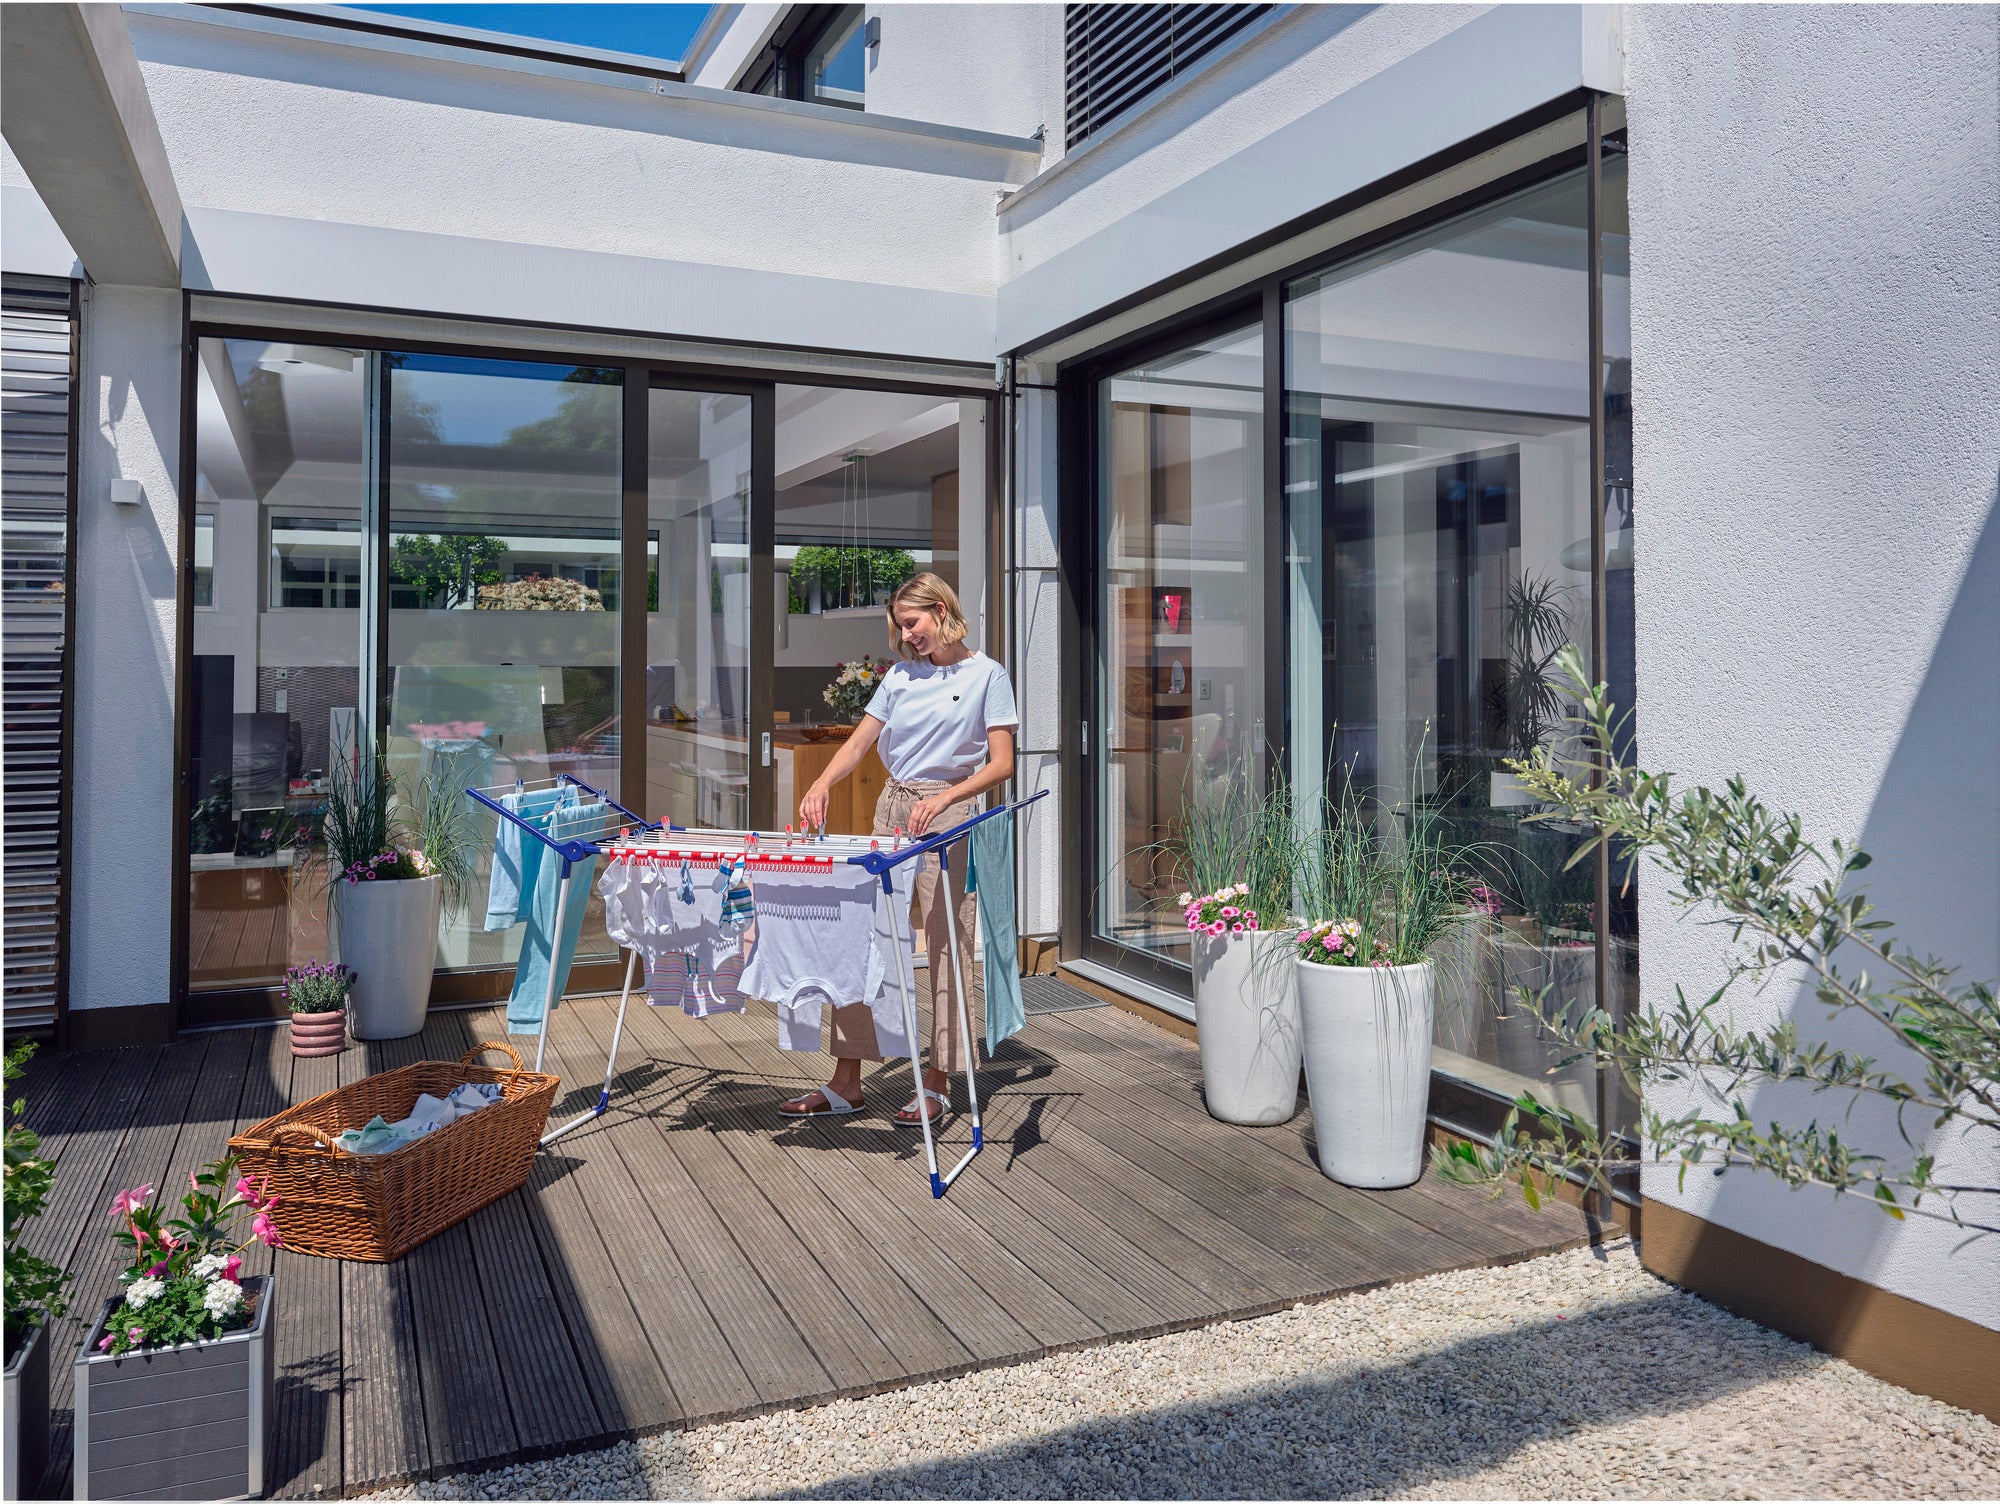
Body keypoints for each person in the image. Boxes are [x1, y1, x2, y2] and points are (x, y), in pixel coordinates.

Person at [779, 572, 1017, 1125]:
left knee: (946, 944)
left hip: (948, 811)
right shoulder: (900, 676)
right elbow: (859, 743)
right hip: (892, 808)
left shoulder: (988, 675)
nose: (907, 636)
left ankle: (938, 1079)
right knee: (865, 942)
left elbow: (1002, 764)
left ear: (941, 611)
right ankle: (847, 1082)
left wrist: (948, 797)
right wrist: (822, 783)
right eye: (901, 627)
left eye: (912, 623)